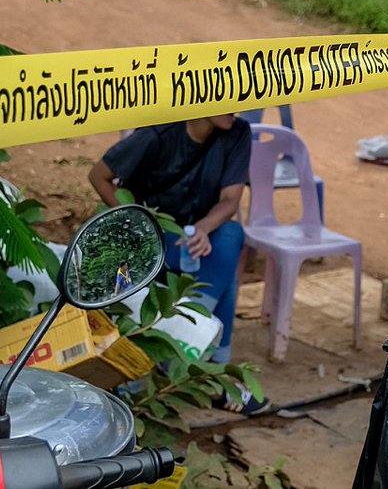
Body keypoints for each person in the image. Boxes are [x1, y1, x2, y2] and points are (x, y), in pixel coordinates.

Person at [89, 114, 267, 412]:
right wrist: (139, 222)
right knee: (225, 271)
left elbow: (230, 200)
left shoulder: (237, 132)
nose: (236, 108)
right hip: (149, 237)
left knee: (230, 236)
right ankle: (208, 371)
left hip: (194, 238)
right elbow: (98, 175)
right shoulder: (157, 133)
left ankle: (189, 355)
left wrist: (204, 227)